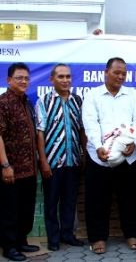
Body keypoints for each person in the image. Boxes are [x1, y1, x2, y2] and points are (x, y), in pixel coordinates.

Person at [82, 57, 136, 254]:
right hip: (99, 156)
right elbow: (90, 123)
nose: (120, 76)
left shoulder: (132, 95)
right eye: (117, 72)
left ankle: (131, 234)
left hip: (128, 156)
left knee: (130, 197)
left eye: (124, 73)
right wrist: (99, 146)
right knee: (97, 199)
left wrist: (134, 143)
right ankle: (98, 237)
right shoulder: (93, 96)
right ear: (106, 72)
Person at [35, 64, 86, 251]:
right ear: (52, 79)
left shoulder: (77, 100)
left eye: (68, 77)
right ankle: (53, 239)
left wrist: (83, 154)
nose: (66, 80)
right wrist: (43, 161)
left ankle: (67, 235)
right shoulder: (44, 101)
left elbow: (81, 129)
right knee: (51, 202)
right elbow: (40, 133)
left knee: (69, 200)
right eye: (61, 77)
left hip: (73, 161)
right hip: (52, 162)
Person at [0, 63, 39, 261]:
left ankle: (21, 241)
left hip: (29, 169)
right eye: (19, 78)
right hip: (11, 170)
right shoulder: (3, 102)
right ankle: (9, 247)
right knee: (9, 210)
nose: (24, 81)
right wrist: (5, 165)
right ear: (8, 80)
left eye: (26, 78)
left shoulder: (27, 102)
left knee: (26, 208)